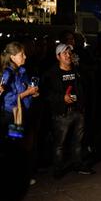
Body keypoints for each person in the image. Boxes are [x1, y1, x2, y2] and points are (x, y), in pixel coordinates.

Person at [41, 44, 94, 178]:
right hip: (62, 113)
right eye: (64, 53)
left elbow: (87, 86)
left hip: (78, 110)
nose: (68, 55)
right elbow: (46, 93)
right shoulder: (51, 74)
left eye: (69, 53)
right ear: (58, 56)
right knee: (60, 143)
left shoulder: (77, 70)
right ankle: (58, 169)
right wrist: (61, 98)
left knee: (78, 141)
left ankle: (78, 164)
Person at [0, 42, 39, 185]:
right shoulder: (7, 74)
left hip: (24, 112)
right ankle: (14, 178)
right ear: (12, 57)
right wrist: (27, 93)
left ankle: (20, 175)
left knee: (23, 144)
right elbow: (10, 99)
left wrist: (32, 92)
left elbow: (25, 88)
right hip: (13, 116)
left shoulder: (21, 70)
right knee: (14, 146)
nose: (25, 56)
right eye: (22, 54)